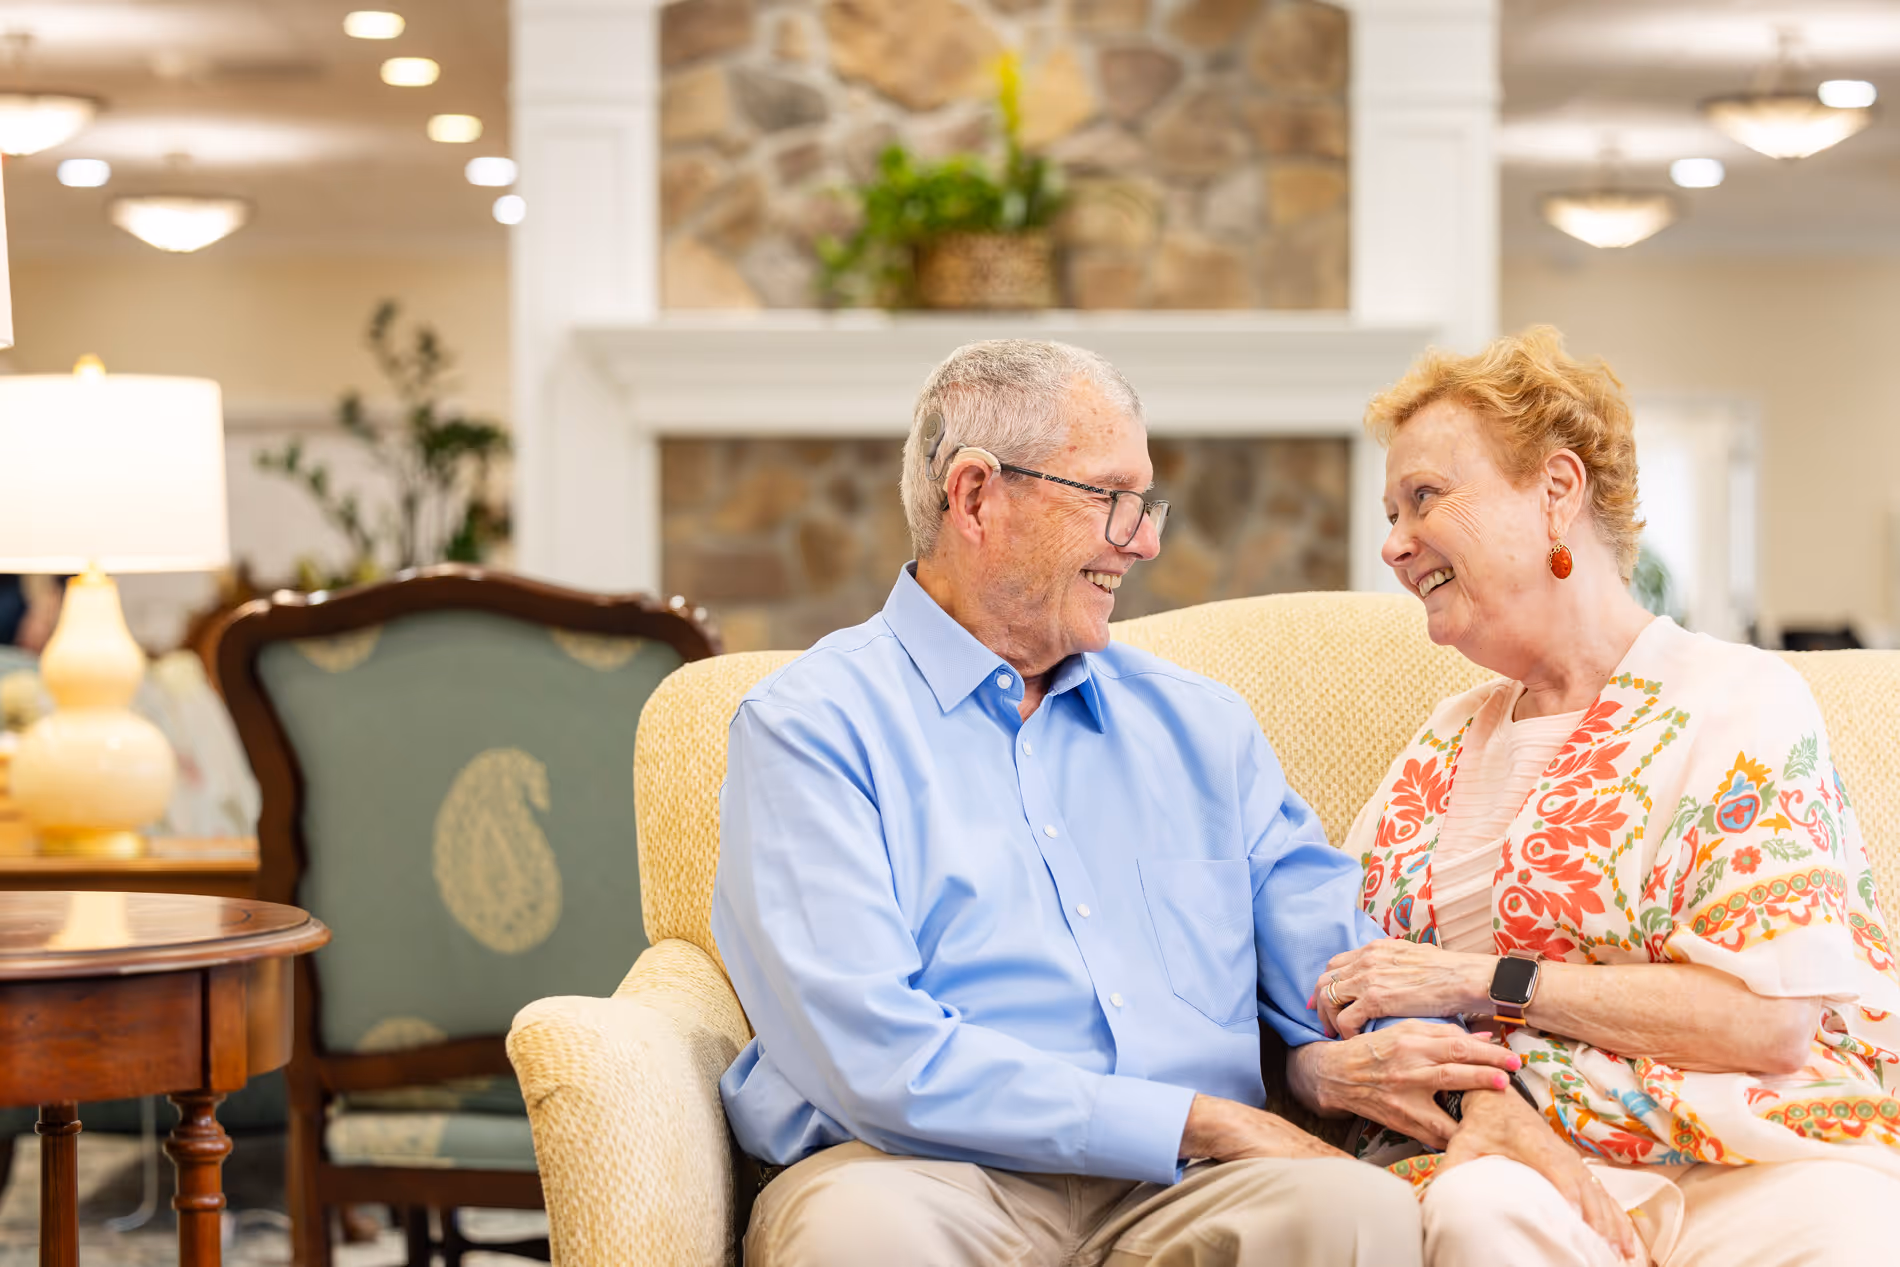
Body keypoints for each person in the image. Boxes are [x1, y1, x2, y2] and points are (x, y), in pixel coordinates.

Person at [712, 340, 1520, 1267]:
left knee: (1353, 1213)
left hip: (1185, 1188)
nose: (1145, 540)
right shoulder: (809, 726)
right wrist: (1202, 1119)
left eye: (1146, 504)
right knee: (858, 1240)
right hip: (914, 1172)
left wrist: (1458, 1079)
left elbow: (1341, 965)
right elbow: (870, 1051)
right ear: (975, 496)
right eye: (1111, 499)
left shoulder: (1201, 729)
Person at [1324, 325, 1900, 1267]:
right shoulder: (1433, 747)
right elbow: (1337, 982)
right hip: (1507, 1163)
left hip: (1755, 1161)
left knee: (1854, 1232)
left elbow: (1771, 1020)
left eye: (1423, 497)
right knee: (1476, 1216)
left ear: (1556, 493)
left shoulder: (1735, 699)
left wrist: (1485, 979)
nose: (1392, 544)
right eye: (1389, 512)